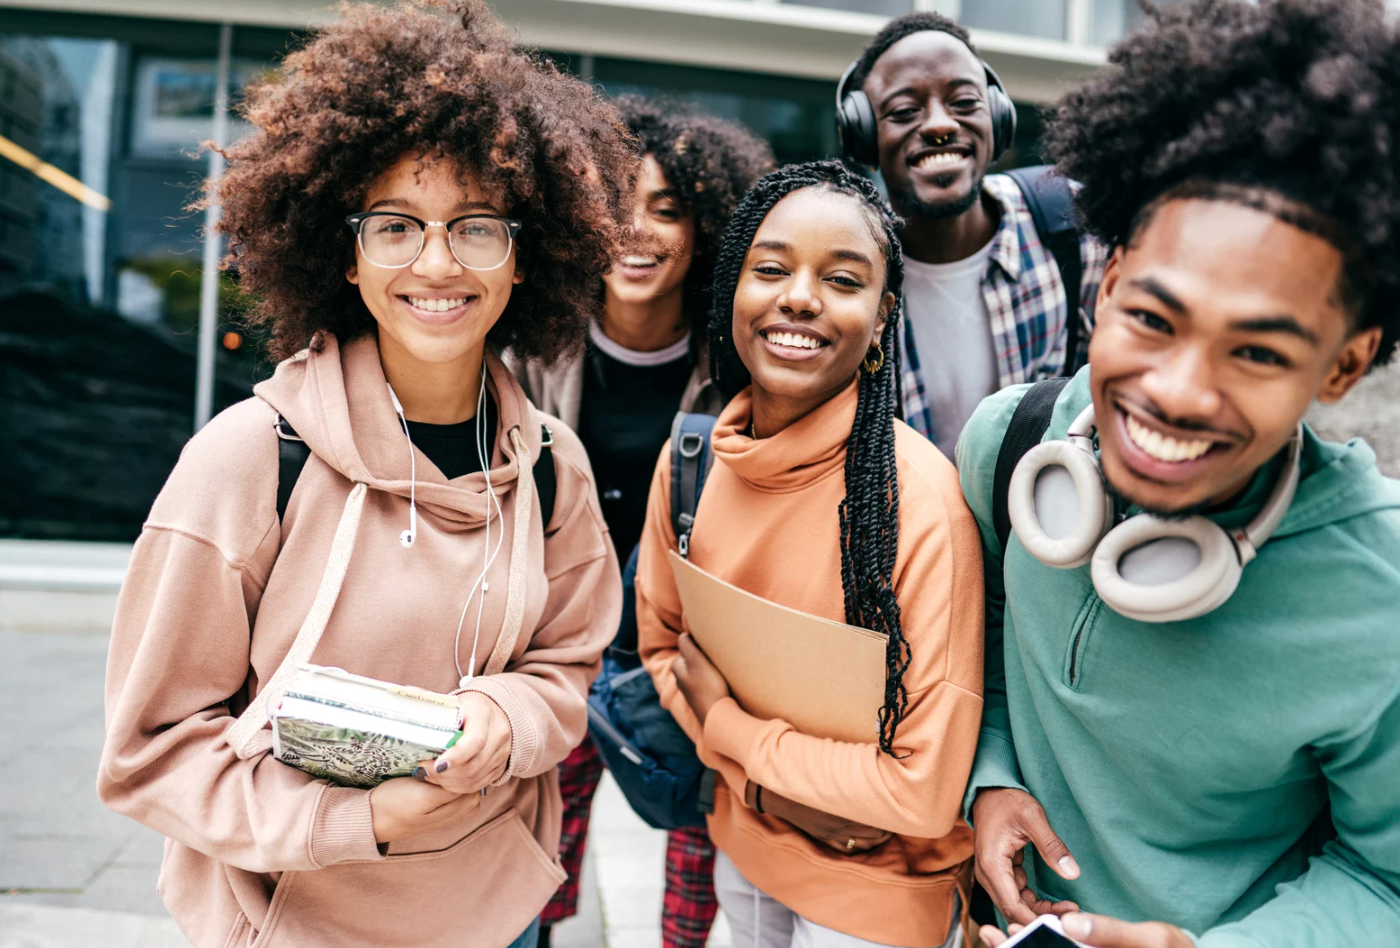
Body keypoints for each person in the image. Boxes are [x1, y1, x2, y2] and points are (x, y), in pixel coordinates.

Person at [95, 3, 632, 947]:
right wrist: (362, 821)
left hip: (491, 914)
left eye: (476, 226)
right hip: (290, 920)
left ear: (523, 257)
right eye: (396, 225)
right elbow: (150, 751)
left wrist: (500, 719)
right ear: (346, 254)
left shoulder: (552, 466)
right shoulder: (250, 456)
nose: (436, 262)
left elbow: (565, 669)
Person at [956, 1, 1400, 945]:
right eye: (1154, 320)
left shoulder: (1383, 595)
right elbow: (981, 638)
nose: (1179, 394)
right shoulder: (1007, 443)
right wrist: (990, 775)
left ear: (1345, 366)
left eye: (1259, 354)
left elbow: (1389, 881)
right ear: (1107, 283)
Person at [636, 160, 985, 948]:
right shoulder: (692, 461)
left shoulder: (919, 505)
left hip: (879, 906)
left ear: (882, 312)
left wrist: (732, 735)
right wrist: (773, 796)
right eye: (771, 269)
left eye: (842, 278)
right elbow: (661, 648)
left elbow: (923, 795)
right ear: (732, 287)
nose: (798, 296)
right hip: (742, 854)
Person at [510, 94, 772, 948]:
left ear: (705, 232)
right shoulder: (530, 348)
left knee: (695, 840)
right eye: (618, 202)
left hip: (683, 643)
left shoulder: (734, 358)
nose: (639, 228)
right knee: (541, 843)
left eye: (668, 209)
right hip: (560, 634)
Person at [841, 13, 1109, 459]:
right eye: (905, 111)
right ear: (864, 135)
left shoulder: (1076, 226)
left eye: (964, 102)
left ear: (997, 115)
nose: (939, 125)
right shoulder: (847, 270)